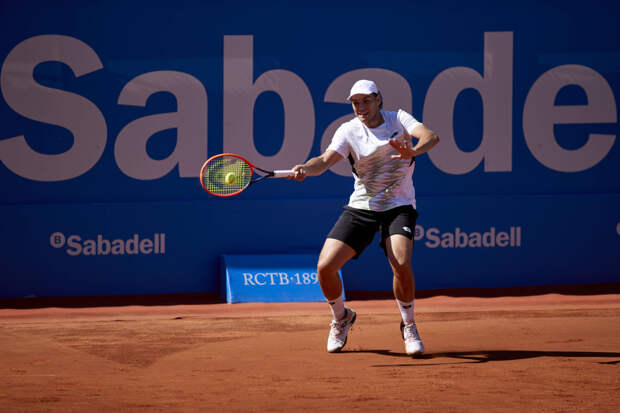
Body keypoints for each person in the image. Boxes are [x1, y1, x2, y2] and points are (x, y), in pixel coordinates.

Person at [287, 79, 440, 356]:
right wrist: (306, 169)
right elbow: (324, 160)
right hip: (362, 207)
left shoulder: (399, 119)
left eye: (366, 101)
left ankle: (408, 325)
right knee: (325, 267)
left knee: (401, 263)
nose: (361, 107)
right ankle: (341, 317)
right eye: (356, 103)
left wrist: (414, 151)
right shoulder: (348, 130)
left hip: (398, 205)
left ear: (378, 99)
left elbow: (431, 136)